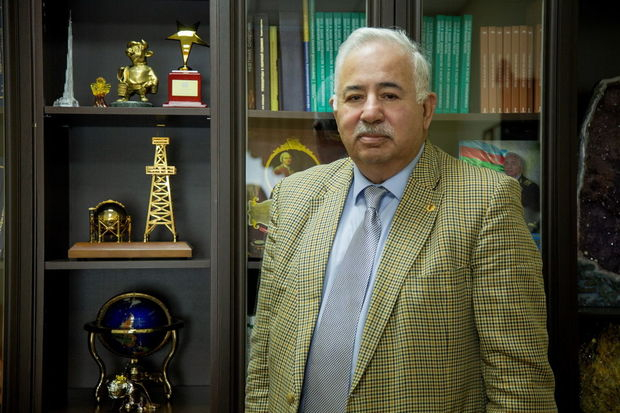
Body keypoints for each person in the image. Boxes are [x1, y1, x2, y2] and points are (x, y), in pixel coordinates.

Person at [246, 27, 556, 413]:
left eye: (389, 95)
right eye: (354, 97)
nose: (370, 112)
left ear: (426, 109)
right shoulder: (294, 195)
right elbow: (264, 351)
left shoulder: (486, 202)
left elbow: (519, 382)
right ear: (336, 109)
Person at [503, 152, 541, 233]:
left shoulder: (531, 187)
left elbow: (533, 214)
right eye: (506, 163)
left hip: (523, 229)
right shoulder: (500, 184)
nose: (509, 166)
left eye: (513, 163)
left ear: (521, 167)